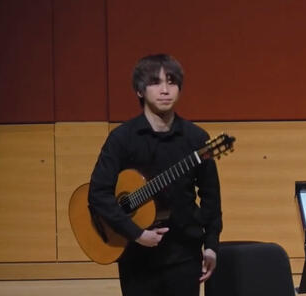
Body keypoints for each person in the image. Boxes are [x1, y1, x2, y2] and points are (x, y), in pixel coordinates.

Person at [88, 54, 222, 296]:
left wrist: (211, 245)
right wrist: (136, 233)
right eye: (155, 82)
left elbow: (211, 197)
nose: (165, 90)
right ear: (140, 91)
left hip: (184, 254)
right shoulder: (121, 139)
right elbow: (98, 195)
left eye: (171, 82)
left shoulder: (197, 139)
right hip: (136, 257)